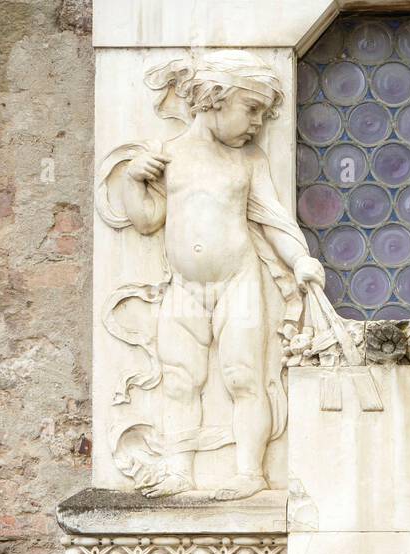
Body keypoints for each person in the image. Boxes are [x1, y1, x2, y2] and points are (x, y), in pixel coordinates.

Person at [97, 51, 326, 499]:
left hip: (237, 283)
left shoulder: (249, 161)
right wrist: (132, 182)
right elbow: (146, 222)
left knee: (244, 377)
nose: (258, 122)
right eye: (252, 109)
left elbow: (274, 219)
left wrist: (300, 260)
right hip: (184, 287)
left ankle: (249, 473)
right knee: (180, 378)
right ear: (215, 99)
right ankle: (180, 470)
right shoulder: (168, 156)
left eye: (263, 114)